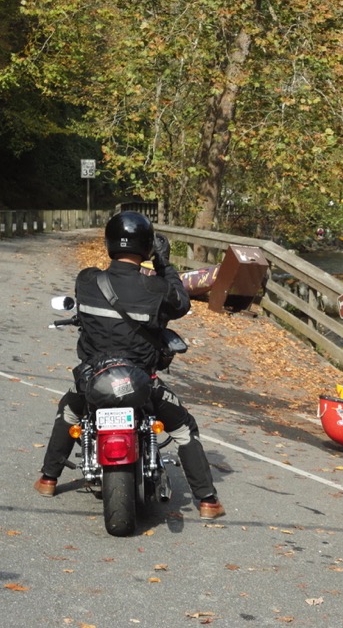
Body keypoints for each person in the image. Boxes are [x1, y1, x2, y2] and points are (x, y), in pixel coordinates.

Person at [34, 211, 226, 519]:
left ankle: (48, 478)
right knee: (183, 427)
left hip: (92, 378)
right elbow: (181, 302)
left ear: (110, 242)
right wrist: (164, 263)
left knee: (68, 414)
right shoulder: (155, 289)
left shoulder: (87, 279)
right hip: (141, 381)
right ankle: (207, 501)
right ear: (148, 247)